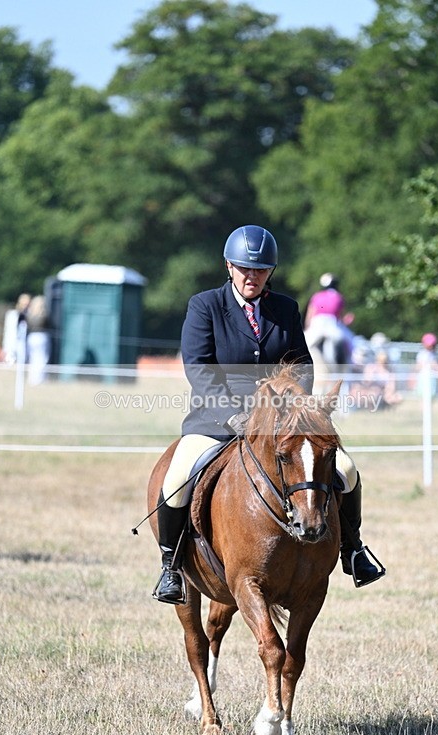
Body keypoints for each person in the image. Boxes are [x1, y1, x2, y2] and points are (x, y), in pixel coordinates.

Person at [154, 224, 384, 604]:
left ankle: (354, 551)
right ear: (229, 266)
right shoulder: (205, 306)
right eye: (245, 268)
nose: (252, 276)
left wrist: (297, 413)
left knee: (345, 470)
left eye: (260, 270)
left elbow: (303, 367)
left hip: (280, 425)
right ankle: (171, 566)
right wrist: (234, 416)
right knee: (178, 476)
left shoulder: (286, 310)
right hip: (215, 421)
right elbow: (199, 368)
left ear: (270, 272)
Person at [26, 295, 50, 385]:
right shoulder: (43, 315)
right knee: (42, 359)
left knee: (33, 359)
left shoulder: (30, 314)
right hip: (41, 337)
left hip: (31, 338)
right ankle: (40, 379)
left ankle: (33, 379)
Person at [2, 293, 31, 364]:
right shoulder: (12, 315)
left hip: (24, 346)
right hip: (12, 345)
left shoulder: (30, 316)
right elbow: (8, 332)